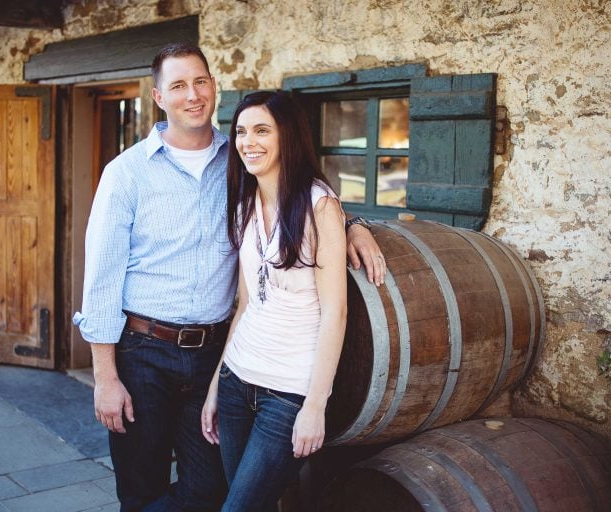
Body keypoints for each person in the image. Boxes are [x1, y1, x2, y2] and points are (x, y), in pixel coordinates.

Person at [73, 43, 385, 512]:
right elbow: (100, 278)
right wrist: (104, 377)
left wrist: (351, 223)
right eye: (178, 85)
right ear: (159, 97)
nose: (192, 95)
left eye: (200, 81)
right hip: (144, 354)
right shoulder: (126, 174)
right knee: (141, 489)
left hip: (214, 355)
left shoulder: (238, 160)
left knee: (210, 490)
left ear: (214, 86)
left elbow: (296, 188)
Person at [201, 91, 346, 512]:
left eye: (262, 130)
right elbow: (245, 304)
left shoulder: (319, 206)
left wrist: (316, 405)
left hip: (287, 393)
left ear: (288, 137)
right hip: (235, 381)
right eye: (242, 132)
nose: (248, 141)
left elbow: (335, 313)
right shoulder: (246, 202)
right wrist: (215, 386)